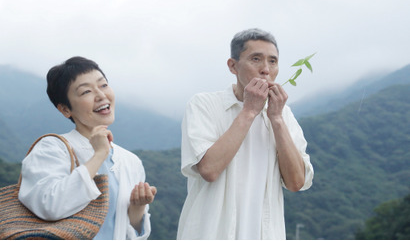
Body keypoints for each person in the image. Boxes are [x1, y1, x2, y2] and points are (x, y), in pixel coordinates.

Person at [177, 28, 314, 240]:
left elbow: (296, 182)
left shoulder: (283, 114)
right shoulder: (204, 104)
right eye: (256, 59)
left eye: (273, 61)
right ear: (233, 66)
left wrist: (276, 119)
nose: (265, 69)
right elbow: (209, 169)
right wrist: (249, 111)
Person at [18, 57, 156, 239]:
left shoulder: (130, 161)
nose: (100, 95)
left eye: (104, 85)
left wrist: (138, 207)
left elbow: (127, 231)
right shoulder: (51, 148)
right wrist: (99, 155)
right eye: (86, 92)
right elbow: (49, 205)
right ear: (65, 109)